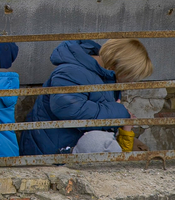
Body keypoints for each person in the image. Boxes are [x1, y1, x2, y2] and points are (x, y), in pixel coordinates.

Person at [21, 39, 153, 156]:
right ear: (116, 67)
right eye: (130, 77)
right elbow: (68, 108)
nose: (130, 82)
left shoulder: (104, 76)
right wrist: (119, 111)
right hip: (53, 152)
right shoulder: (71, 71)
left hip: (70, 147)